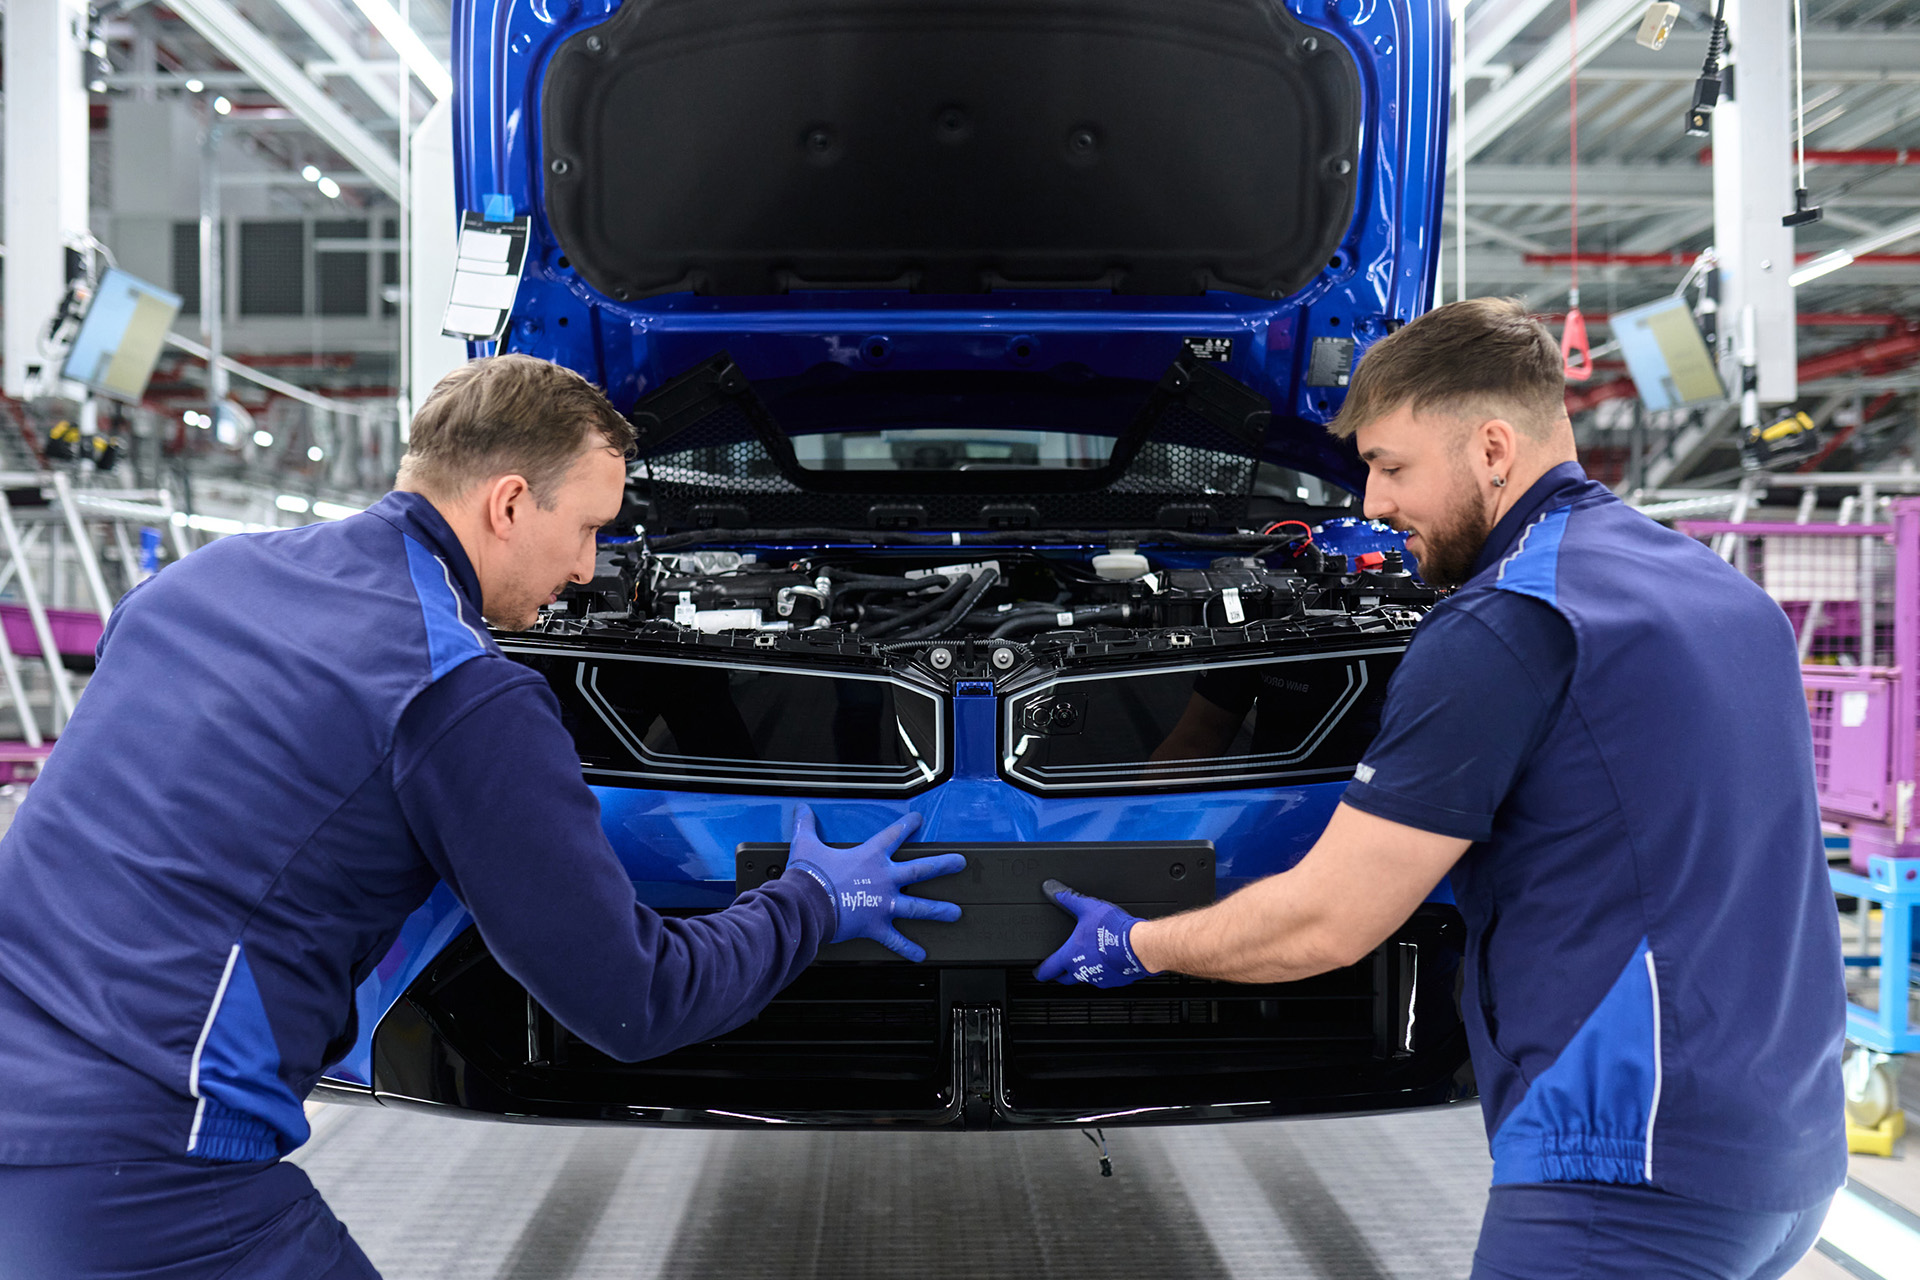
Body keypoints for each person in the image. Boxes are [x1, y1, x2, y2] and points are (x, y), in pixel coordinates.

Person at [0, 354, 963, 1279]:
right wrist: (813, 901)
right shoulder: (460, 694)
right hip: (141, 1177)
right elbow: (637, 1002)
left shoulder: (191, 585)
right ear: (507, 502)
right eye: (588, 529)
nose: (590, 570)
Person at [1038, 298, 1846, 1279]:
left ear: (1493, 447)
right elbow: (1645, 835)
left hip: (1625, 1176)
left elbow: (1328, 924)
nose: (1372, 502)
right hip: (1785, 1158)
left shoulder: (1506, 623)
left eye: (1391, 464)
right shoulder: (1721, 592)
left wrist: (1139, 941)